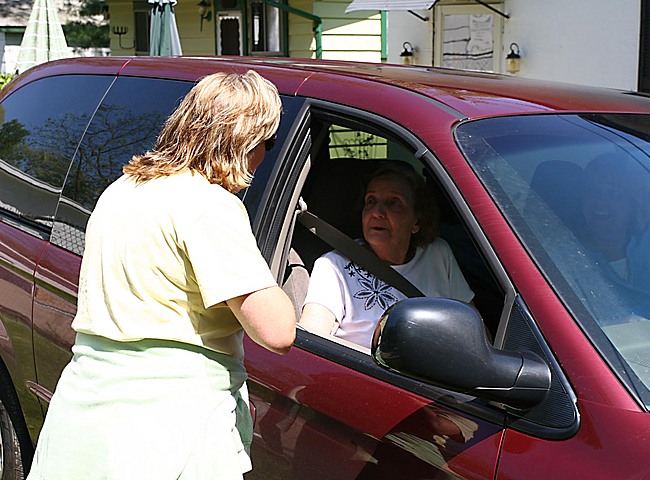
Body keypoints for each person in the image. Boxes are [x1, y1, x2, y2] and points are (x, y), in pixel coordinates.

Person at [28, 71, 296, 480]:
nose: (265, 156)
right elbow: (277, 333)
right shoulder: (209, 206)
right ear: (245, 141)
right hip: (169, 427)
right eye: (268, 143)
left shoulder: (123, 189)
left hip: (85, 412)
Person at [299, 162, 474, 349]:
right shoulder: (333, 266)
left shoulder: (438, 254)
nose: (377, 212)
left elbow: (472, 328)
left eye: (393, 203)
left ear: (416, 221)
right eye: (371, 201)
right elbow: (311, 342)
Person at [579, 154, 650, 319]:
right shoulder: (567, 251)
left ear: (634, 203)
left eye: (614, 194)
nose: (600, 202)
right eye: (593, 192)